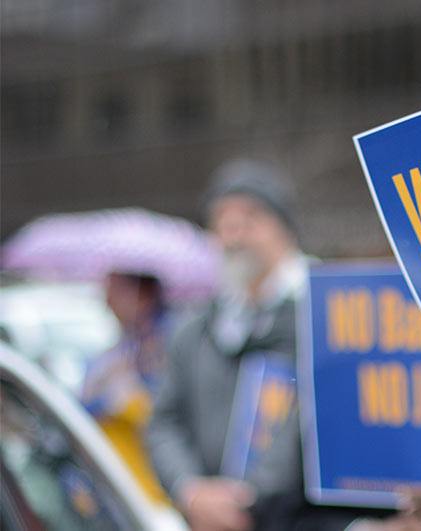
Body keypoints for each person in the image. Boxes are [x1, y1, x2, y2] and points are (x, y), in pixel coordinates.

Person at [146, 159, 309, 531]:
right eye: (222, 222)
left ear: (286, 230)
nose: (234, 235)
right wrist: (190, 491)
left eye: (250, 219)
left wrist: (250, 499)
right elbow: (164, 421)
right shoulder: (195, 331)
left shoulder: (320, 318)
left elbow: (316, 420)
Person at [81, 272, 171, 504]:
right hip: (126, 478)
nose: (107, 302)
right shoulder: (125, 345)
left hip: (156, 482)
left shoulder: (169, 340)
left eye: (114, 291)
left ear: (142, 293)